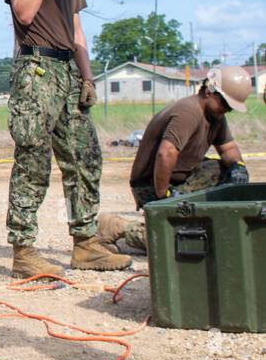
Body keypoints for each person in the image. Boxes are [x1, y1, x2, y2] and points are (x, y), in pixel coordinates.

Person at [3, 0, 131, 278]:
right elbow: (25, 14)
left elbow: (76, 31)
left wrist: (87, 76)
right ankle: (24, 252)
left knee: (84, 158)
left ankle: (86, 243)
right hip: (37, 71)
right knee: (33, 161)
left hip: (68, 73)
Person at [97, 67, 251, 254]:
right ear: (210, 91)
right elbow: (165, 154)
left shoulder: (215, 116)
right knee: (184, 245)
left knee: (225, 169)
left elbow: (229, 148)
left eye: (230, 108)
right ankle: (116, 227)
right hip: (152, 185)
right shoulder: (188, 112)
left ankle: (202, 220)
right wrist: (164, 198)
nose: (226, 110)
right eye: (225, 104)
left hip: (181, 179)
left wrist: (238, 167)